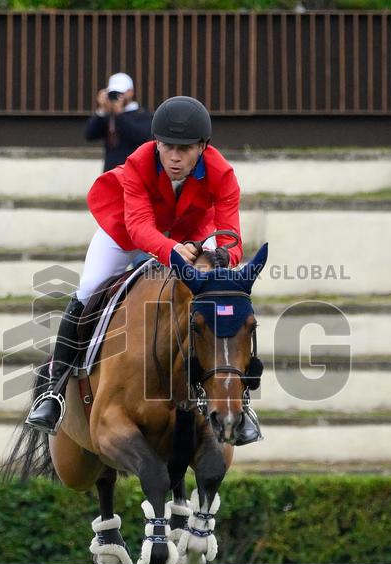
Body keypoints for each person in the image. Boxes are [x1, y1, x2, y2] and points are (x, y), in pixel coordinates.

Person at [27, 95, 262, 444]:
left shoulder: (223, 173)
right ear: (157, 144)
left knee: (228, 294)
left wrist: (223, 257)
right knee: (88, 289)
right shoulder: (138, 163)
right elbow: (139, 228)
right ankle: (54, 390)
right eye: (167, 147)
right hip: (126, 230)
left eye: (185, 149)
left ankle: (240, 402)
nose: (175, 158)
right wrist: (171, 250)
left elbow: (231, 237)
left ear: (202, 147)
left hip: (192, 232)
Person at [83, 72, 152, 172]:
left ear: (131, 92)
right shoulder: (108, 115)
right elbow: (89, 135)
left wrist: (119, 114)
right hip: (111, 172)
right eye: (113, 93)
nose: (117, 97)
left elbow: (139, 136)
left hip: (134, 172)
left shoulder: (142, 114)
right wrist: (102, 110)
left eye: (120, 93)